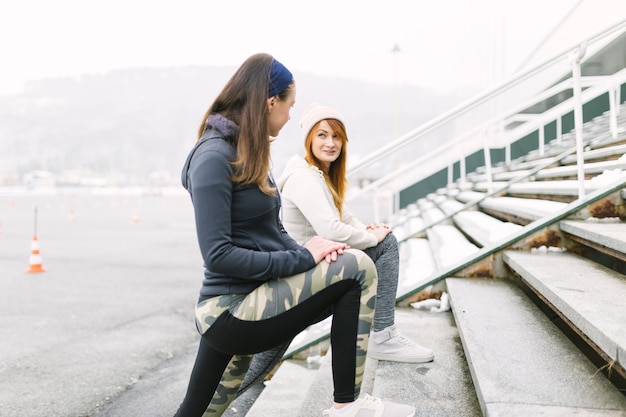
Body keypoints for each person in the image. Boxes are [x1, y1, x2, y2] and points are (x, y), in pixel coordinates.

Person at [174, 54, 415, 417]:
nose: (290, 116)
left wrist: (321, 250)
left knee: (195, 414)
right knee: (358, 269)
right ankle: (347, 407)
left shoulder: (248, 153)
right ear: (271, 102)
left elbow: (274, 231)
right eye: (289, 106)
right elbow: (218, 254)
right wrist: (304, 257)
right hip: (228, 312)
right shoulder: (213, 157)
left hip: (252, 298)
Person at [278, 103, 434, 363]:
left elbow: (346, 218)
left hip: (316, 268)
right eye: (322, 135)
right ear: (308, 140)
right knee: (255, 367)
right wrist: (373, 238)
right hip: (303, 277)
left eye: (336, 136)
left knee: (385, 243)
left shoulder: (321, 176)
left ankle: (381, 333)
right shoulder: (304, 178)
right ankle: (382, 335)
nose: (331, 143)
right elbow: (331, 228)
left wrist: (370, 230)